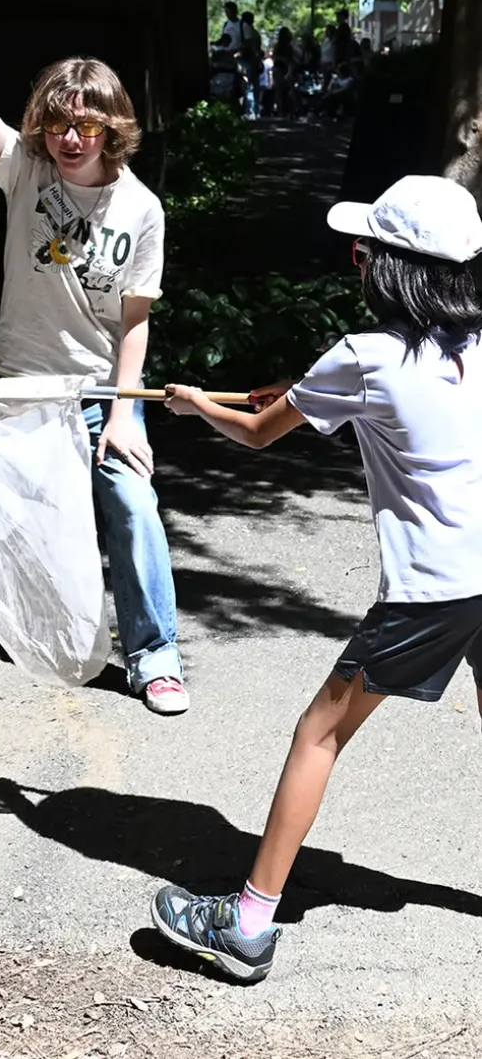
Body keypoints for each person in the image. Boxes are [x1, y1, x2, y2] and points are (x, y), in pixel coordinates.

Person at [150, 175, 482, 982]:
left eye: (363, 251)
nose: (355, 261)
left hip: (434, 588)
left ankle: (249, 923)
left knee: (318, 733)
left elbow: (261, 433)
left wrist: (196, 405)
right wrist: (300, 395)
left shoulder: (367, 356)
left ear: (387, 267)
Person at [0, 0, 189, 715]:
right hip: (15, 377)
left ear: (112, 127)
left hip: (99, 391)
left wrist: (126, 415)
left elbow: (136, 316)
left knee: (132, 511)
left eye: (86, 125)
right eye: (58, 122)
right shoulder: (25, 168)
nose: (69, 137)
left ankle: (153, 656)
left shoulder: (141, 207)